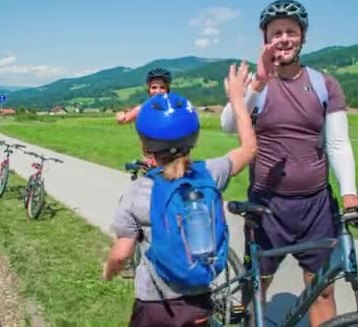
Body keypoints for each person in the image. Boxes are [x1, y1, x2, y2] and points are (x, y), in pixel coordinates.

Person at [220, 0, 358, 327]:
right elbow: (229, 124)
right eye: (276, 32)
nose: (284, 38)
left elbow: (338, 142)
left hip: (316, 206)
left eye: (291, 31)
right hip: (267, 208)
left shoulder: (325, 85)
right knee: (256, 287)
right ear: (265, 39)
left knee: (322, 290)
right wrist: (258, 81)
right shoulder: (259, 84)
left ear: (303, 37)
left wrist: (350, 192)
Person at [102, 62, 257, 326]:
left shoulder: (137, 193)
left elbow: (121, 254)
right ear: (194, 138)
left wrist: (108, 271)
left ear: (146, 145)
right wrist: (237, 100)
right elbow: (249, 148)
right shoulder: (210, 172)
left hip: (155, 305)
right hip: (199, 302)